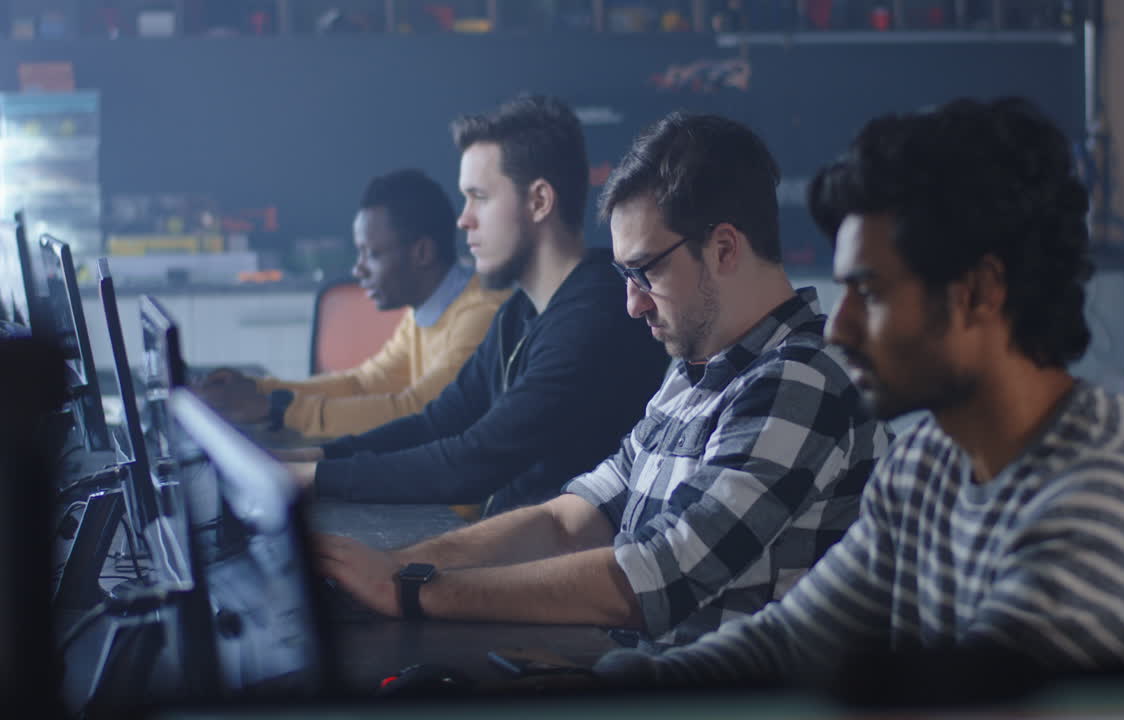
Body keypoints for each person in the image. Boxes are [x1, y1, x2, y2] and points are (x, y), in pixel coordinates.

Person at [592, 97, 1124, 687]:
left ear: (979, 291)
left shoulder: (1106, 487)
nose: (838, 327)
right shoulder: (928, 465)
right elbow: (790, 641)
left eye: (869, 292)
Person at [312, 111, 889, 648]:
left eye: (645, 271)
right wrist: (402, 565)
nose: (632, 304)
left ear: (723, 248)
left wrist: (412, 591)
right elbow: (568, 521)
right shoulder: (692, 374)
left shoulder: (799, 382)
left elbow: (650, 578)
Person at [281, 95, 670, 515]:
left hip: (558, 568)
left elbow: (471, 463)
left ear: (539, 201)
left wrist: (315, 480)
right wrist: (316, 460)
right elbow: (439, 423)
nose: (463, 219)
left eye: (479, 197)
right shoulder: (519, 313)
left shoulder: (597, 315)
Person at [199, 169, 507, 438]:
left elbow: (419, 411)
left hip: (465, 505)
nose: (358, 270)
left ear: (422, 253)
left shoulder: (480, 315)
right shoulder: (425, 310)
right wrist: (259, 390)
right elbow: (364, 384)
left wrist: (277, 409)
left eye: (372, 254)